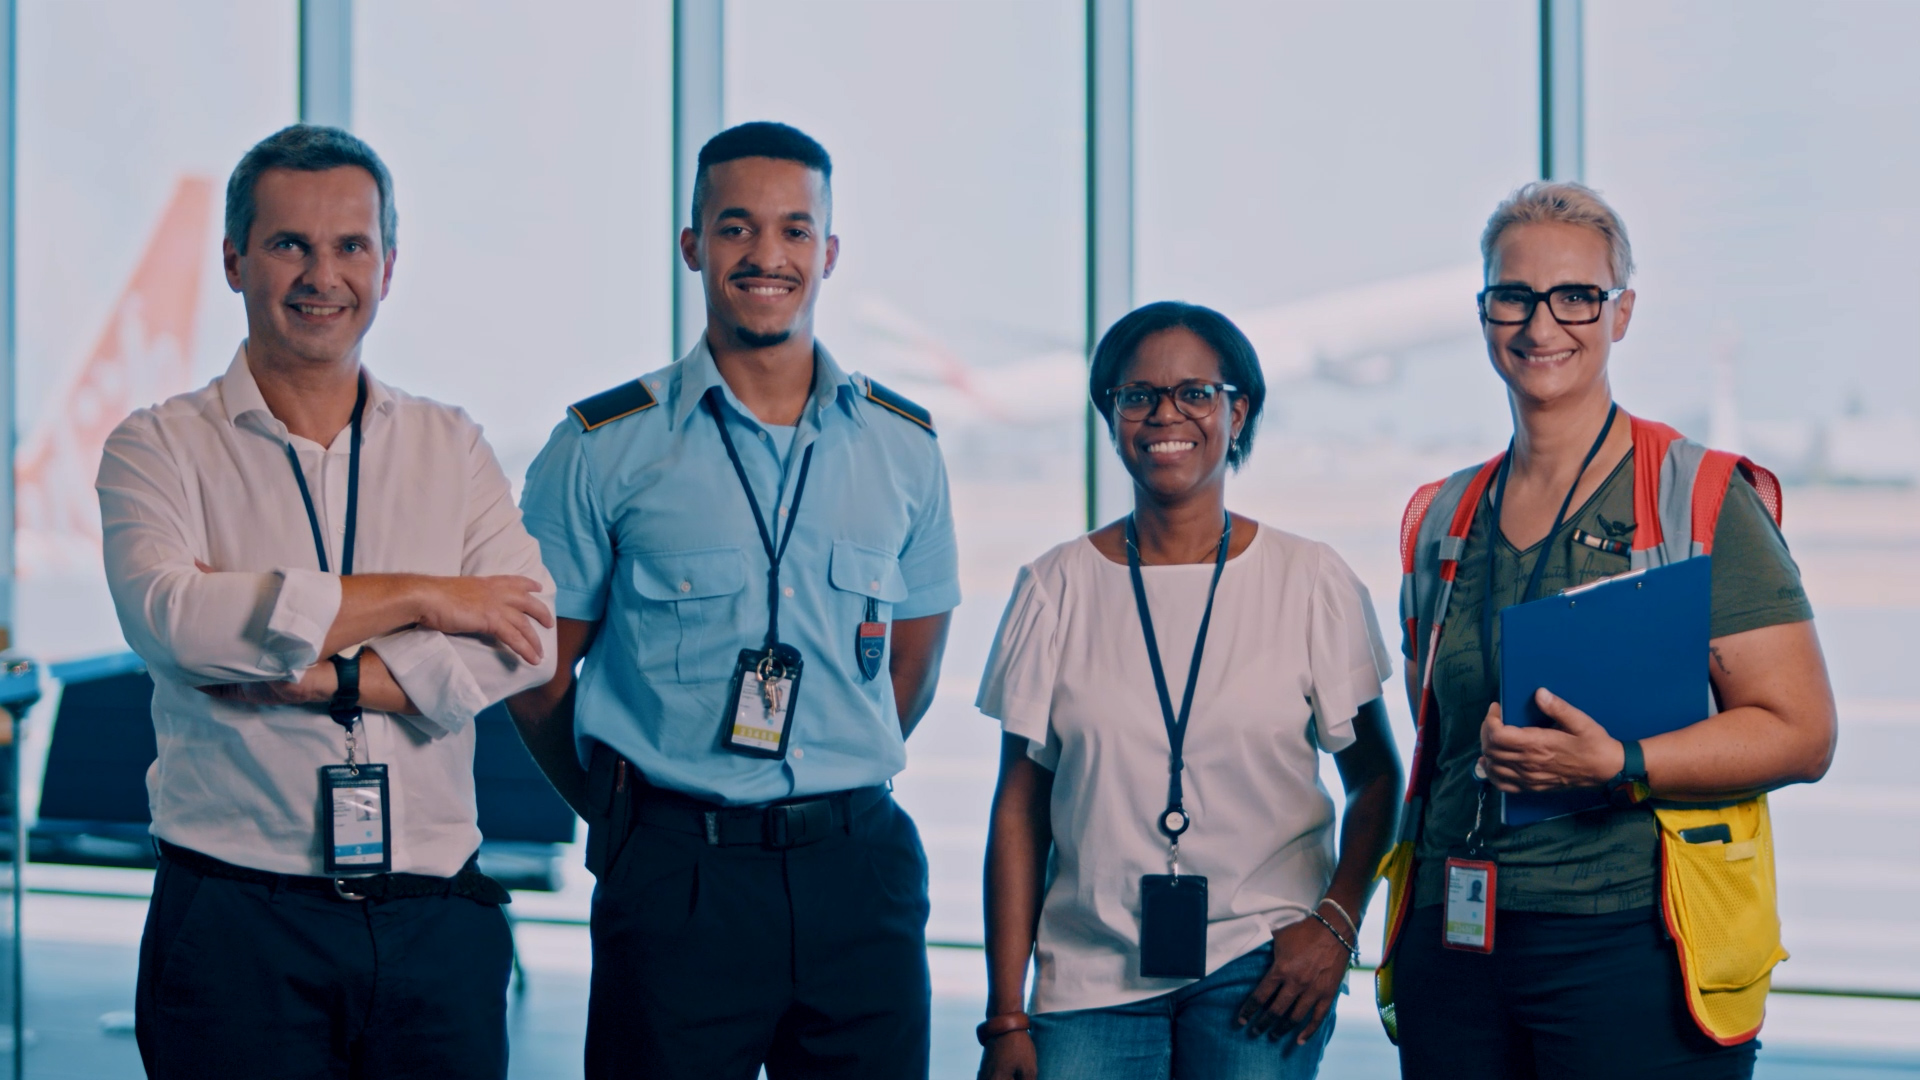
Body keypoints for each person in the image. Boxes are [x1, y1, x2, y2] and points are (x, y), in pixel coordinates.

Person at [98, 124, 558, 1078]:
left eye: (351, 246)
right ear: (235, 260)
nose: (323, 275)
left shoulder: (451, 445)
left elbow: (524, 637)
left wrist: (333, 680)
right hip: (235, 928)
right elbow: (180, 624)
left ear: (388, 267)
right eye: (288, 245)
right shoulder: (157, 448)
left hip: (434, 922)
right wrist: (427, 596)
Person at [511, 121, 959, 1080]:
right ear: (692, 247)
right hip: (679, 875)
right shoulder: (602, 447)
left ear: (828, 254)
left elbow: (912, 666)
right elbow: (537, 670)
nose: (767, 255)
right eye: (735, 228)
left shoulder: (904, 446)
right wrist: (618, 815)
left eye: (796, 231)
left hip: (859, 874)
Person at [1377, 182, 1838, 1079]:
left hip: (1630, 942)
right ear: (1483, 313)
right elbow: (1437, 734)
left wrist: (1622, 767)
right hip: (1456, 942)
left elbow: (1802, 731)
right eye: (1513, 296)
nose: (1541, 324)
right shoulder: (1445, 516)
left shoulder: (1697, 495)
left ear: (1620, 313)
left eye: (1576, 297)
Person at [974, 301, 1403, 1080]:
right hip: (1090, 972)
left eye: (1196, 393)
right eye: (1137, 395)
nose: (1165, 414)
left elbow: (1377, 778)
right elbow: (1018, 807)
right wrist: (1006, 1013)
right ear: (1111, 418)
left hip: (1264, 960)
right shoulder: (1054, 587)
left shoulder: (1311, 581)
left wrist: (1336, 927)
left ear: (1239, 413)